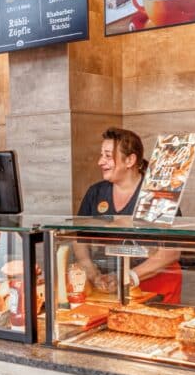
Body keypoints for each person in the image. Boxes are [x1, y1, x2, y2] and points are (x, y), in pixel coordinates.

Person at [75, 127, 182, 303]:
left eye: (108, 156)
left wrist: (129, 276)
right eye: (102, 155)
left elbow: (171, 252)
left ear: (130, 160)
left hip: (156, 286)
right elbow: (78, 237)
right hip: (109, 287)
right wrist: (93, 274)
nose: (100, 162)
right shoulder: (96, 192)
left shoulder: (158, 193)